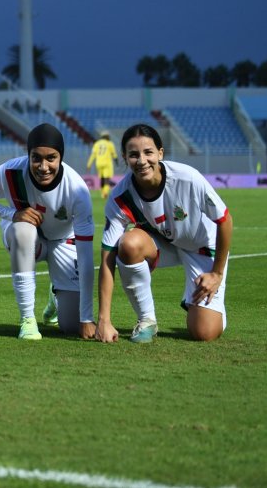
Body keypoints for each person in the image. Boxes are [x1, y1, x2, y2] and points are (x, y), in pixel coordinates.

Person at [96, 124, 233, 344]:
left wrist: (217, 274)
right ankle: (146, 321)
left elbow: (225, 220)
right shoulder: (120, 197)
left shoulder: (188, 178)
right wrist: (103, 319)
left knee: (204, 333)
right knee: (128, 244)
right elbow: (107, 258)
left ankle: (202, 305)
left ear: (160, 153)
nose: (141, 161)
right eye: (133, 155)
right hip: (166, 243)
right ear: (124, 157)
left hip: (202, 248)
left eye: (148, 152)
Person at [0, 124, 96, 340]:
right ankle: (27, 319)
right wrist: (11, 214)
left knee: (72, 326)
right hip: (25, 236)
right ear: (28, 155)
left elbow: (85, 254)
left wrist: (87, 318)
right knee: (23, 230)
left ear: (61, 157)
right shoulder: (11, 172)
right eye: (36, 158)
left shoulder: (77, 190)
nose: (43, 167)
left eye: (51, 158)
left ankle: (56, 296)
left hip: (63, 241)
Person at [87, 129, 118, 199]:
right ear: (107, 137)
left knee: (102, 179)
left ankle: (102, 193)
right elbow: (114, 154)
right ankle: (105, 193)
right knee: (107, 179)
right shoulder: (110, 143)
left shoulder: (97, 144)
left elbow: (93, 155)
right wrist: (116, 161)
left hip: (99, 163)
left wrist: (89, 164)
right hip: (107, 163)